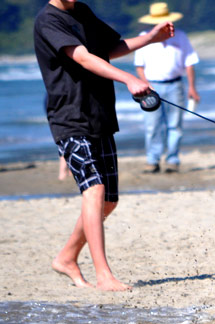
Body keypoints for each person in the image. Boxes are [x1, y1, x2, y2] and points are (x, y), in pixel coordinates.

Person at [34, 0, 174, 290]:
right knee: (94, 189)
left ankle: (67, 257)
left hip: (100, 116)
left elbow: (111, 48)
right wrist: (128, 78)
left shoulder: (81, 11)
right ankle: (103, 275)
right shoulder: (48, 20)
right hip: (69, 118)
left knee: (108, 201)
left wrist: (150, 38)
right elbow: (83, 57)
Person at [134, 2, 200, 174]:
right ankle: (152, 160)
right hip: (151, 87)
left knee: (175, 125)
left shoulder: (180, 36)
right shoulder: (144, 36)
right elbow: (139, 65)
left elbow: (189, 63)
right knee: (152, 125)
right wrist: (145, 84)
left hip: (176, 85)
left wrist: (192, 88)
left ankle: (172, 160)